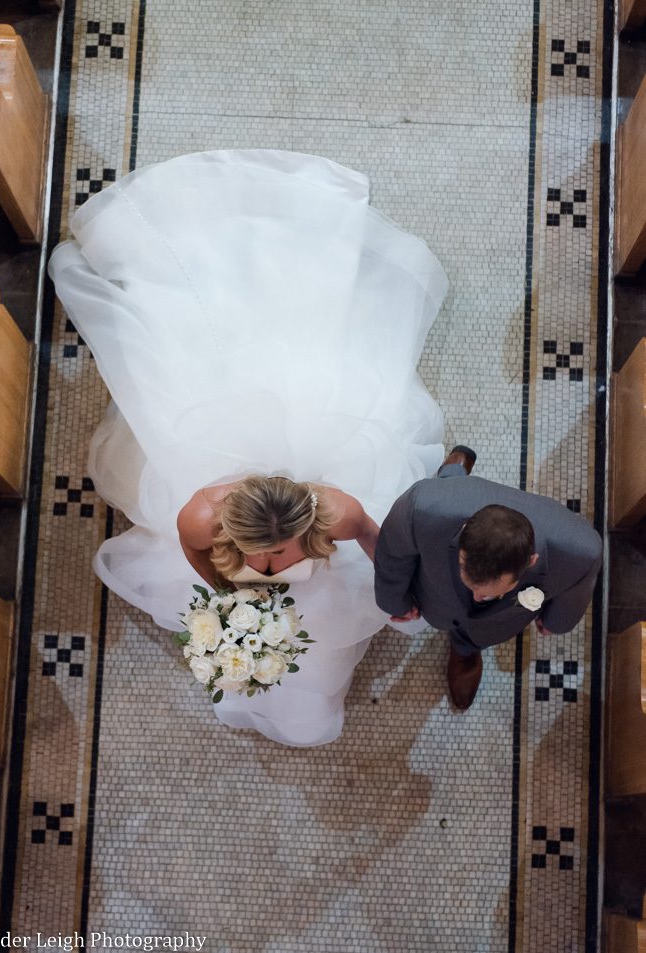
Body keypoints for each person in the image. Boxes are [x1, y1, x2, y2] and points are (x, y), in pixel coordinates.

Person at [49, 148, 449, 745]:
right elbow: (202, 561)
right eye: (263, 554)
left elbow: (376, 545)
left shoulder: (337, 511)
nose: (272, 566)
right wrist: (233, 605)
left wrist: (396, 596)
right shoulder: (197, 518)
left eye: (282, 552)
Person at [374, 446, 603, 710]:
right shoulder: (421, 508)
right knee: (449, 490)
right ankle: (452, 472)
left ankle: (465, 651)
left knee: (453, 490)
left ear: (531, 561)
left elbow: (573, 596)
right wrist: (396, 601)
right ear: (462, 539)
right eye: (469, 582)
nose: (477, 599)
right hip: (444, 526)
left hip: (496, 623)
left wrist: (556, 621)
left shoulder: (579, 553)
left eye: (489, 593)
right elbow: (392, 554)